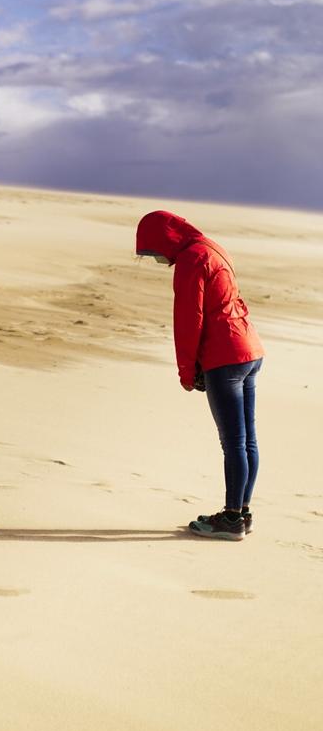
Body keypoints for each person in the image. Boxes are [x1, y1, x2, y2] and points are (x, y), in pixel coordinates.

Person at [136, 210, 264, 541]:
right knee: (247, 439)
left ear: (165, 241)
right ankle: (243, 513)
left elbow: (188, 319)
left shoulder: (192, 260)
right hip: (249, 349)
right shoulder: (211, 247)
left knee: (233, 441)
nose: (158, 260)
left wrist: (186, 371)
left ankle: (232, 519)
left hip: (225, 357)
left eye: (154, 252)